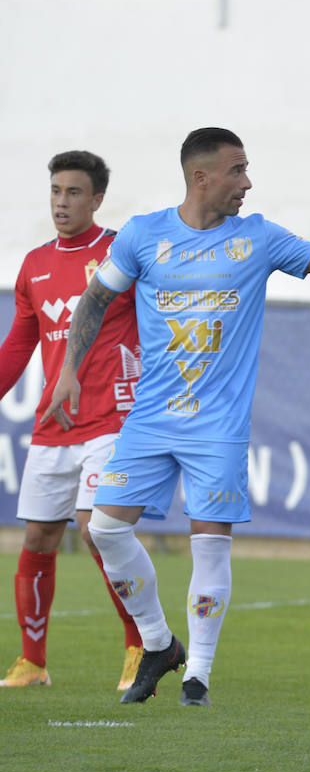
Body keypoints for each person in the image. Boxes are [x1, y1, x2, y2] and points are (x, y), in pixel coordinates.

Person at [41, 127, 310, 707]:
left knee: (210, 546)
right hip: (150, 420)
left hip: (216, 426)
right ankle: (159, 643)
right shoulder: (144, 235)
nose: (247, 182)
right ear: (202, 177)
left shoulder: (257, 239)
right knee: (104, 529)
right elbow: (97, 297)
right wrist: (69, 369)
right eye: (237, 170)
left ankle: (199, 675)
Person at [0, 151, 144, 690]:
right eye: (57, 191)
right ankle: (32, 663)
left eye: (74, 193)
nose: (62, 202)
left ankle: (140, 646)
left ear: (98, 199)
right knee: (37, 537)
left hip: (112, 417)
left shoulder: (119, 253)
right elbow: (19, 344)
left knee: (95, 530)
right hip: (53, 424)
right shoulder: (35, 263)